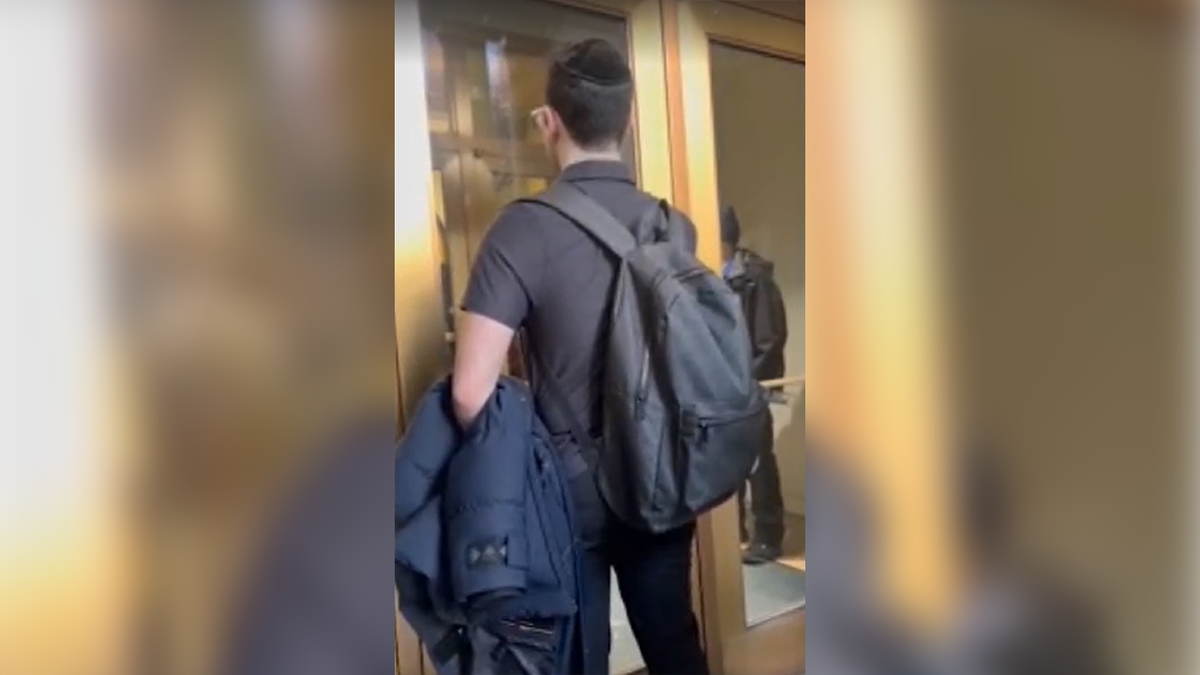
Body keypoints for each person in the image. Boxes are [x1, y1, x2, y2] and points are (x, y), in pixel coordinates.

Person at [449, 38, 708, 675]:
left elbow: (469, 391)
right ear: (628, 121)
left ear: (549, 121)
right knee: (672, 637)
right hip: (662, 476)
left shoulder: (522, 229)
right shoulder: (673, 226)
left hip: (565, 486)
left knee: (574, 651)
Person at [721, 206, 789, 564]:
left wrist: (751, 382)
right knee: (726, 461)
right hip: (719, 386)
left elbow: (769, 337)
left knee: (760, 460)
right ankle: (732, 532)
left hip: (751, 384)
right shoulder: (712, 278)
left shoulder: (755, 278)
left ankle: (768, 535)